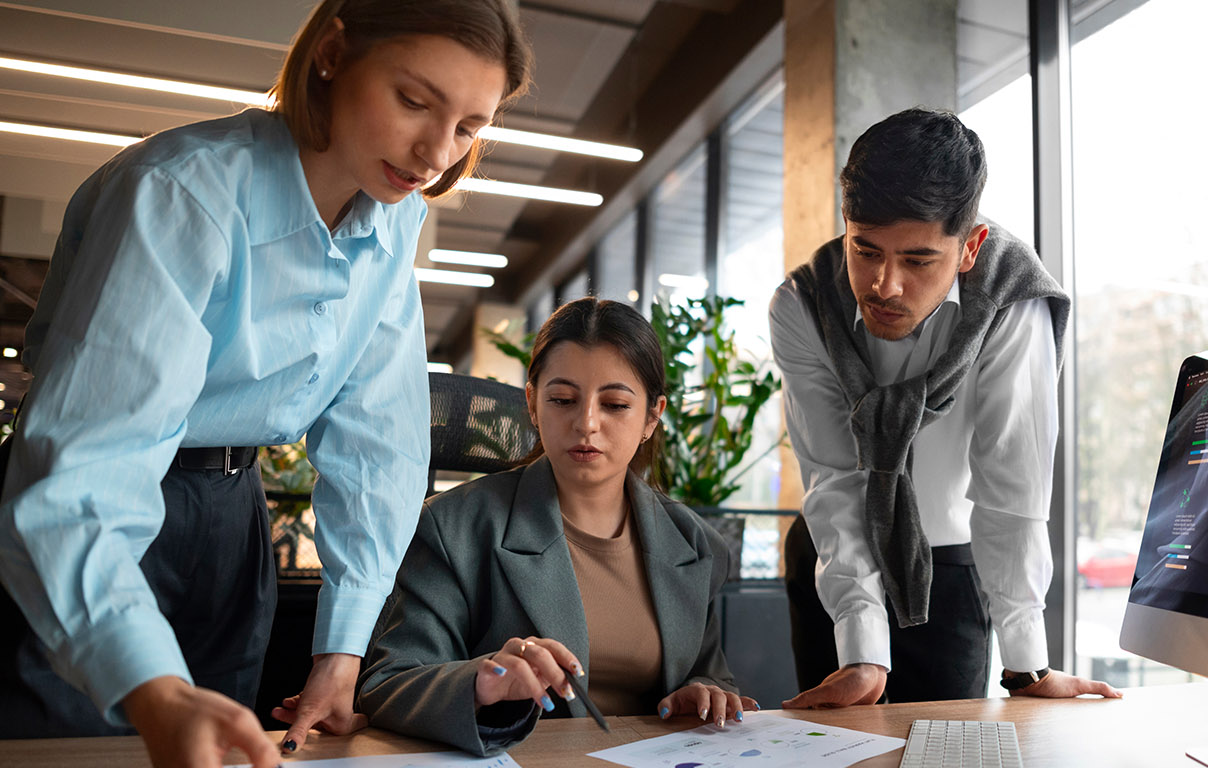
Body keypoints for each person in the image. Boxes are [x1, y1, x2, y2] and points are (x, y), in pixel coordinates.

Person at [0, 1, 530, 765]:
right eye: (415, 101)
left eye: (469, 127)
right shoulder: (181, 191)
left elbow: (377, 440)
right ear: (332, 53)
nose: (436, 152)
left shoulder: (393, 220)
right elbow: (86, 473)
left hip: (233, 512)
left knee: (222, 748)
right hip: (104, 506)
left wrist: (341, 653)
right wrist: (152, 689)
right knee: (70, 749)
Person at [769, 107, 1121, 709]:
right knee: (835, 744)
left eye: (917, 260)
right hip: (831, 553)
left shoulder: (1012, 300)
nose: (884, 285)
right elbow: (835, 477)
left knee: (946, 745)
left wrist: (1027, 665)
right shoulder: (802, 305)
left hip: (952, 564)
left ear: (968, 248)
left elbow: (1012, 484)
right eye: (865, 250)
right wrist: (861, 646)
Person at [358, 298, 758, 756]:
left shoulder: (692, 540)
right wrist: (479, 684)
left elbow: (710, 672)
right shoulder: (453, 527)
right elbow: (389, 683)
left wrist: (704, 691)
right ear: (532, 403)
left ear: (652, 416)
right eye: (563, 400)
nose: (586, 423)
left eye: (615, 405)